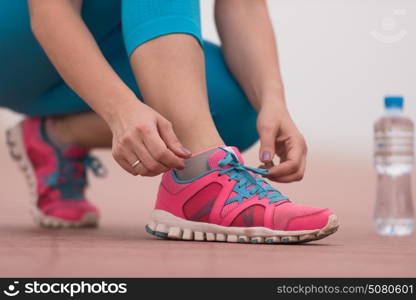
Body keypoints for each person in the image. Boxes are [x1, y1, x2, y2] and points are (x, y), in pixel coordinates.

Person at [1, 0, 338, 243]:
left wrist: (273, 100)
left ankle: (54, 138)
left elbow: (243, 5)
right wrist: (120, 108)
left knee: (236, 106)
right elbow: (49, 11)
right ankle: (202, 177)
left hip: (94, 48)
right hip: (17, 42)